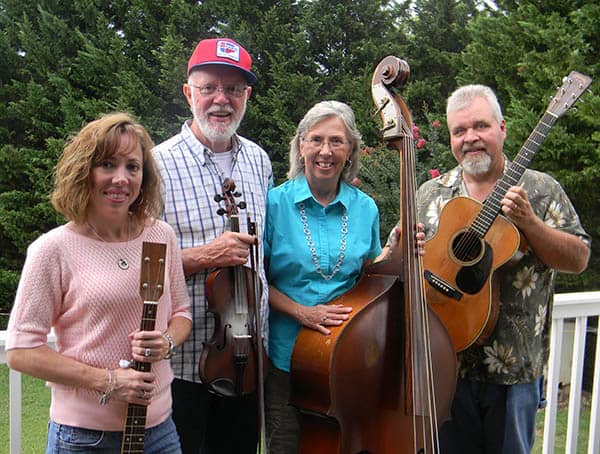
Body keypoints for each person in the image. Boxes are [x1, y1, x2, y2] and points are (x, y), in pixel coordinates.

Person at [385, 84, 591, 453]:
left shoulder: (541, 190)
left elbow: (579, 259)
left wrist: (531, 223)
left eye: (480, 126)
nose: (470, 138)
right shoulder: (431, 193)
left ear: (503, 128)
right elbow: (396, 264)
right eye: (459, 131)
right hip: (441, 368)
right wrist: (403, 251)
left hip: (512, 374)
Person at [5, 112, 192, 453]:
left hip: (160, 432)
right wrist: (107, 381)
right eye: (107, 164)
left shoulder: (160, 236)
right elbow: (20, 351)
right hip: (85, 438)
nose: (121, 179)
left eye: (132, 167)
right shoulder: (53, 249)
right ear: (83, 171)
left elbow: (181, 313)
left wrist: (165, 342)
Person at [152, 38, 273, 454]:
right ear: (189, 93)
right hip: (182, 364)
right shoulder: (155, 165)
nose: (221, 99)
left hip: (248, 361)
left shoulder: (259, 160)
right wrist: (206, 256)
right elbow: (136, 265)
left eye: (233, 89)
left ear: (247, 96)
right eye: (209, 88)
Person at [264, 100, 383, 453]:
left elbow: (370, 278)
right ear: (300, 146)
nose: (325, 151)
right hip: (288, 358)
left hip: (348, 358)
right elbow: (255, 280)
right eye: (316, 140)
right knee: (284, 445)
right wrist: (303, 312)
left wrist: (393, 254)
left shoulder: (366, 208)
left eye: (337, 141)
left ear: (351, 151)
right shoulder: (274, 204)